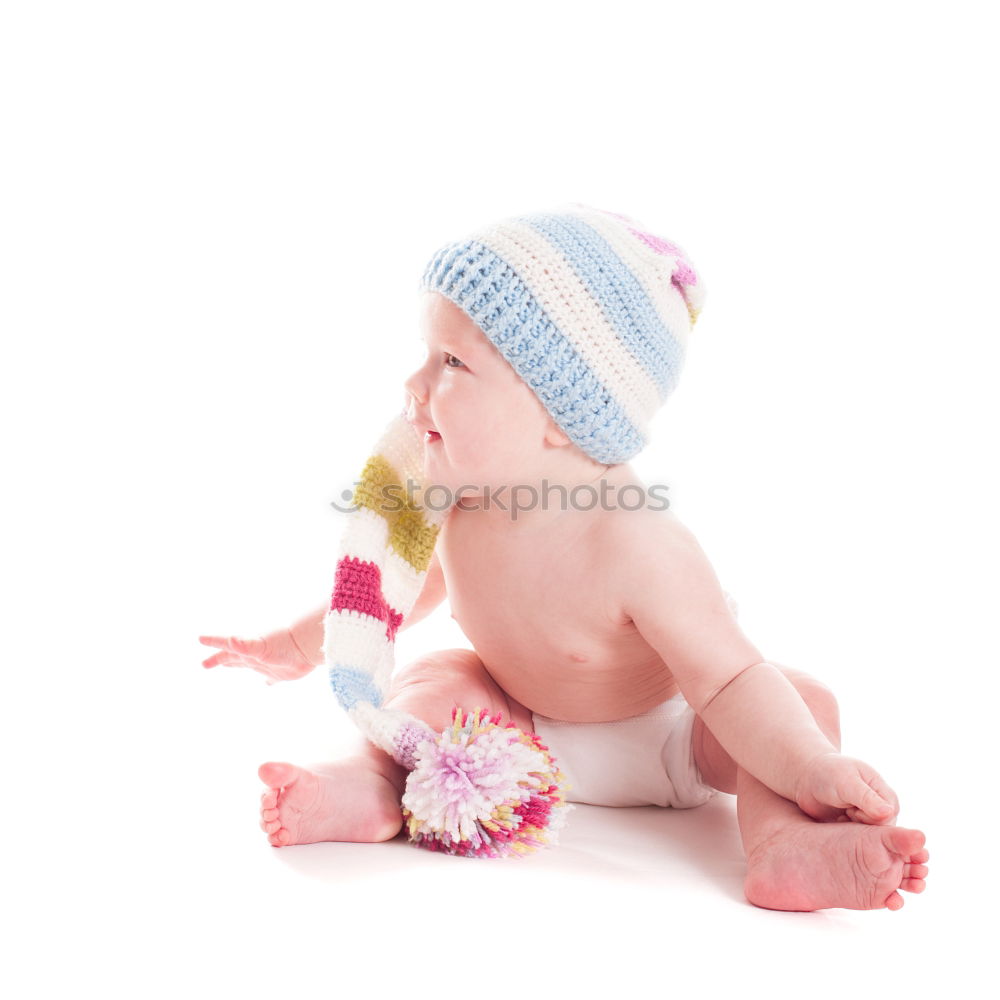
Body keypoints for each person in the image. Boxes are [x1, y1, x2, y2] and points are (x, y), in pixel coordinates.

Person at [200, 203, 928, 911]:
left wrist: (807, 766)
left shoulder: (637, 544)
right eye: (425, 355)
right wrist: (300, 643)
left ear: (558, 412)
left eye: (451, 362)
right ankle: (370, 787)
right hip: (520, 729)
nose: (414, 386)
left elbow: (731, 679)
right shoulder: (459, 492)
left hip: (674, 737)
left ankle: (782, 842)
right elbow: (396, 586)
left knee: (800, 703)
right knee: (442, 674)